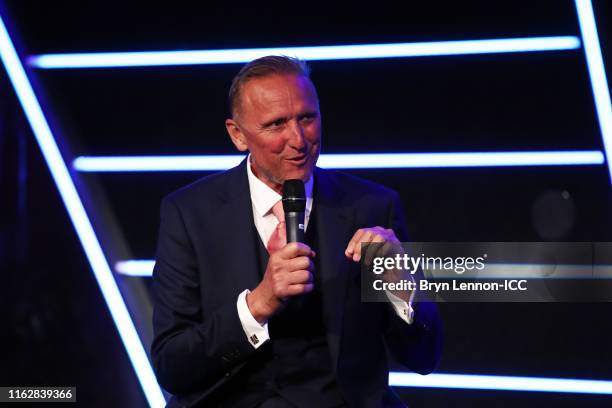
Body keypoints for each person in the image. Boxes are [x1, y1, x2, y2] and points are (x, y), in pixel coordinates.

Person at [151, 56, 443, 408]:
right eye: (276, 124)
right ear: (238, 135)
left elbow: (425, 357)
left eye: (307, 118)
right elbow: (172, 365)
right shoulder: (189, 213)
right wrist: (259, 303)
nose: (299, 140)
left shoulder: (374, 205)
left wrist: (400, 286)